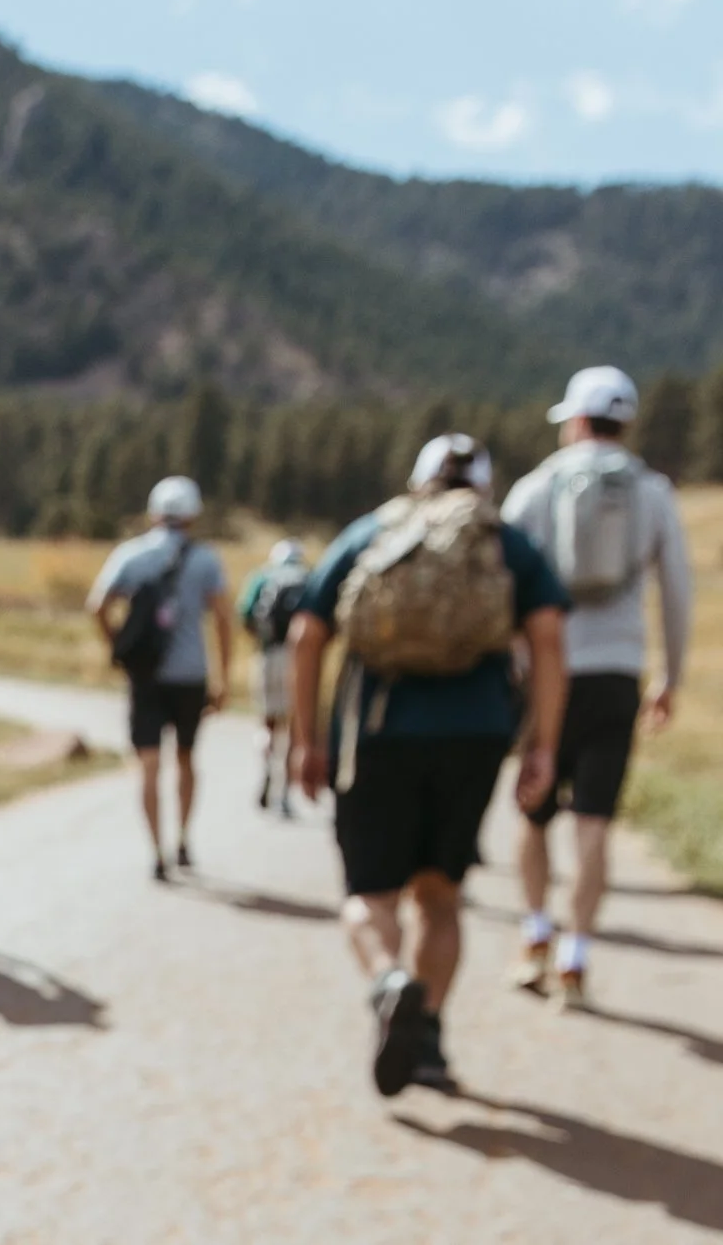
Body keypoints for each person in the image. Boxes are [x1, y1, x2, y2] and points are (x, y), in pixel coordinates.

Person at [290, 434, 568, 1097]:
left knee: (368, 895)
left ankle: (388, 979)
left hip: (377, 732)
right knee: (440, 897)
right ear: (483, 488)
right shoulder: (503, 544)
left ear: (419, 481)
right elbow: (551, 640)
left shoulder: (376, 531)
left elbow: (306, 634)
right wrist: (544, 746)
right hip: (474, 735)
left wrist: (307, 739)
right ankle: (431, 1038)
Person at [500, 367, 692, 1009]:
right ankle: (577, 956)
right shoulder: (654, 491)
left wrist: (514, 666)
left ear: (575, 421)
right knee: (595, 821)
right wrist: (669, 677)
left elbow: (500, 581)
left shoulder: (536, 488)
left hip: (547, 674)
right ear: (627, 422)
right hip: (617, 672)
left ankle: (534, 934)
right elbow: (677, 589)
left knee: (535, 810)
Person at [87, 476, 232, 882]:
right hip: (190, 675)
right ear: (193, 515)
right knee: (186, 759)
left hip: (145, 677)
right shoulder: (206, 560)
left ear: (154, 513)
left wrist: (118, 647)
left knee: (148, 765)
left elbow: (97, 605)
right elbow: (222, 618)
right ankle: (183, 838)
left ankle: (156, 852)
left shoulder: (131, 556)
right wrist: (223, 678)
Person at [236, 538, 310, 818]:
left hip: (268, 655)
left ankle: (266, 768)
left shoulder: (262, 577)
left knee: (267, 722)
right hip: (297, 658)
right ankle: (285, 794)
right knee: (292, 727)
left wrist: (261, 641)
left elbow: (245, 615)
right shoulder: (307, 578)